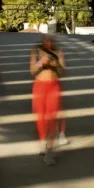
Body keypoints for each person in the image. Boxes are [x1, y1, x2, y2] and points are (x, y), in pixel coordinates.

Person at [30, 34, 63, 163]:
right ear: (42, 41)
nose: (48, 43)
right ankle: (42, 140)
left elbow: (62, 71)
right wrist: (40, 63)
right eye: (46, 40)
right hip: (39, 86)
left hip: (54, 87)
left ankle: (49, 152)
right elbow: (32, 71)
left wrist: (55, 65)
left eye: (51, 40)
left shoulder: (58, 51)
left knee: (52, 118)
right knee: (41, 116)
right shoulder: (36, 51)